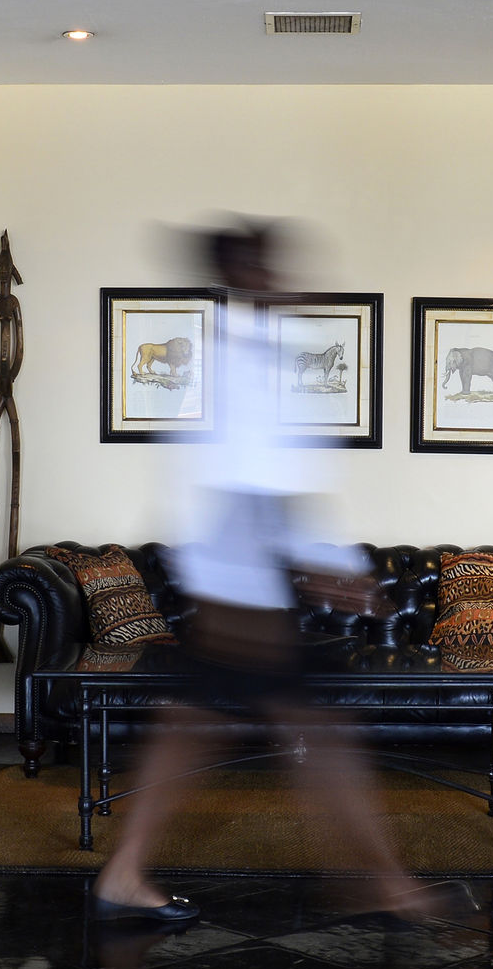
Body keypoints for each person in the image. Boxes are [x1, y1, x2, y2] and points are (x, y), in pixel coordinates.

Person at [91, 220, 421, 925]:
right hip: (241, 595)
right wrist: (332, 570)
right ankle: (386, 882)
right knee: (310, 732)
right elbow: (255, 490)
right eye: (269, 270)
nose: (284, 283)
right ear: (247, 277)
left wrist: (323, 566)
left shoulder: (246, 351)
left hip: (235, 587)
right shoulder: (240, 358)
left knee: (194, 728)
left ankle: (124, 873)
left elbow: (260, 485)